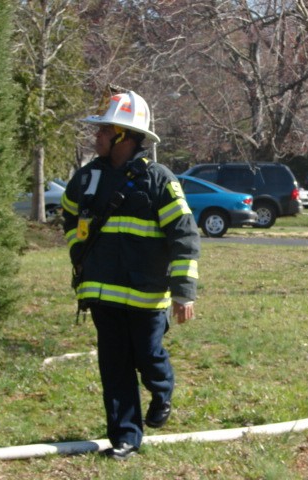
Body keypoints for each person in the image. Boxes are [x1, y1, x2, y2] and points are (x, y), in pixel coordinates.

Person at [61, 90, 200, 460]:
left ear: (123, 136)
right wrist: (79, 250)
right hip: (103, 293)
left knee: (149, 356)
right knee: (115, 368)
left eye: (104, 131)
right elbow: (69, 213)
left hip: (146, 295)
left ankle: (161, 389)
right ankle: (125, 438)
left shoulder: (159, 180)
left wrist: (184, 292)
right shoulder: (88, 178)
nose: (97, 137)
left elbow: (184, 235)